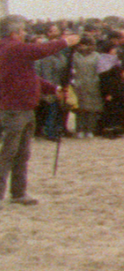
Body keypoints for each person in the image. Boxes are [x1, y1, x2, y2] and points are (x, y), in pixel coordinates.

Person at [0, 23, 78, 206]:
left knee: (22, 153)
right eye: (22, 30)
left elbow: (31, 77)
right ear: (14, 33)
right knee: (8, 153)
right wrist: (65, 42)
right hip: (15, 109)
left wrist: (54, 89)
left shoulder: (13, 51)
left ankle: (18, 193)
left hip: (24, 108)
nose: (25, 33)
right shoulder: (12, 47)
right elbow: (40, 50)